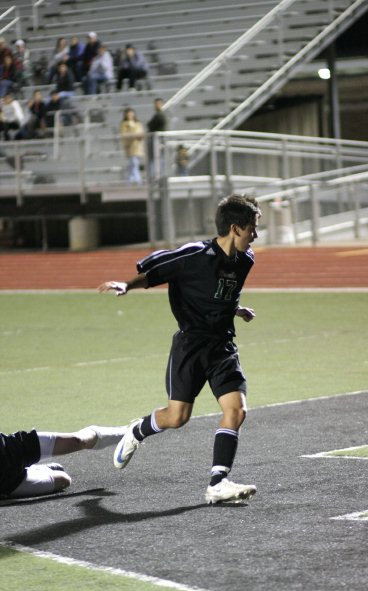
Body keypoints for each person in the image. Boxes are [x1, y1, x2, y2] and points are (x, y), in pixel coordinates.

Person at [98, 194, 260, 505]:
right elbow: (154, 272)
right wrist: (126, 285)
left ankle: (217, 482)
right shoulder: (194, 254)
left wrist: (236, 309)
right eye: (253, 227)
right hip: (191, 346)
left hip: (223, 346)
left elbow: (221, 289)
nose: (256, 234)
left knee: (236, 410)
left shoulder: (246, 259)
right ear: (235, 228)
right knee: (176, 417)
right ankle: (137, 430)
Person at [0, 424, 127, 499]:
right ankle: (30, 470)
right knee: (64, 480)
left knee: (78, 441)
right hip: (6, 484)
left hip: (11, 451)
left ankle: (130, 432)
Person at [119, 107, 144, 184]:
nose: (130, 115)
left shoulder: (137, 123)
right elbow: (124, 134)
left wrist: (138, 136)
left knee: (134, 163)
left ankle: (131, 180)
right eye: (128, 113)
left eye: (131, 113)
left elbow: (141, 133)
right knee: (133, 163)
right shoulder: (124, 124)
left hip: (137, 146)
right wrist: (133, 134)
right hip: (130, 146)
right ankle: (136, 180)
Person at [147, 98, 167, 176]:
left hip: (159, 139)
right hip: (156, 139)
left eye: (158, 104)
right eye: (156, 104)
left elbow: (150, 125)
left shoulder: (160, 115)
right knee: (155, 159)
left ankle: (160, 176)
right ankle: (155, 176)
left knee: (160, 158)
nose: (157, 105)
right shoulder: (157, 115)